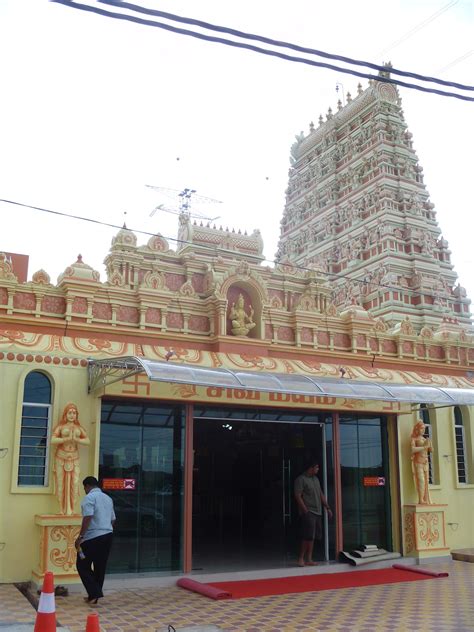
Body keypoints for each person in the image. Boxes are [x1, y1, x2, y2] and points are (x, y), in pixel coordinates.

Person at [75, 476, 116, 604]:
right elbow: (113, 519)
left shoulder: (89, 498)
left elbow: (88, 517)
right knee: (100, 566)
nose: (84, 490)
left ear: (87, 486)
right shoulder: (108, 498)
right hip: (107, 535)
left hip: (92, 537)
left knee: (82, 565)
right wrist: (105, 529)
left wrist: (80, 537)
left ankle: (94, 593)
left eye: (84, 488)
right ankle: (94, 595)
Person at [51, 403, 90, 515]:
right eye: (69, 412)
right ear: (65, 414)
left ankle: (71, 509)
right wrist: (66, 438)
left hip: (74, 458)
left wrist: (77, 440)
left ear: (76, 415)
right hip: (61, 457)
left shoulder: (79, 428)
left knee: (75, 484)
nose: (72, 415)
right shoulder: (61, 427)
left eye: (74, 413)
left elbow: (87, 441)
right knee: (60, 485)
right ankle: (61, 509)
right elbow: (53, 440)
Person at [294, 460, 332, 567]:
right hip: (309, 511)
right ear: (310, 468)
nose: (318, 469)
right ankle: (301, 558)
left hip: (318, 512)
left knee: (314, 536)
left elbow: (321, 494)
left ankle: (309, 558)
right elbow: (298, 496)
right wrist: (305, 510)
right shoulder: (301, 479)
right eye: (316, 468)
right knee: (307, 536)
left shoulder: (316, 479)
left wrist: (327, 508)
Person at [410, 420, 433, 505]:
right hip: (418, 462)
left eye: (424, 429)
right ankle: (420, 499)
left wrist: (430, 444)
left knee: (426, 481)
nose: (423, 430)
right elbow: (412, 449)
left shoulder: (424, 439)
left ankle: (426, 498)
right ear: (417, 429)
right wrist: (424, 447)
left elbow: (431, 450)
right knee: (421, 480)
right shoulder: (414, 439)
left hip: (425, 462)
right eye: (421, 428)